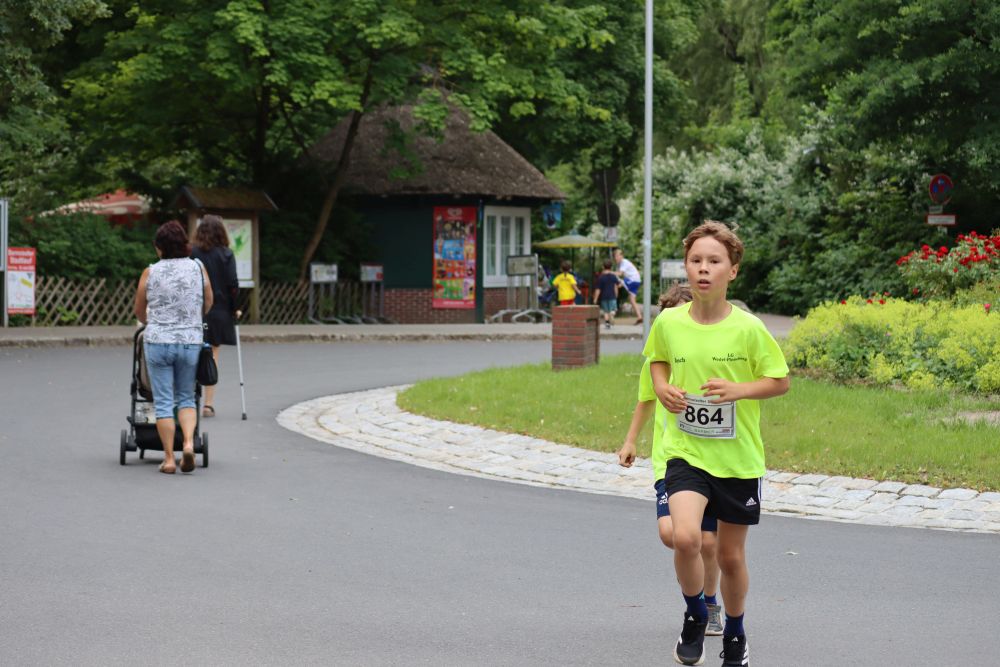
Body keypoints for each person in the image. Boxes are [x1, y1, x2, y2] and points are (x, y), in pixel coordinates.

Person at [643, 221, 789, 667]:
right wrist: (662, 387)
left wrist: (739, 390)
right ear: (686, 268)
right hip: (686, 452)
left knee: (729, 557)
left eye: (714, 261)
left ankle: (736, 634)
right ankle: (694, 614)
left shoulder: (748, 329)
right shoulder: (669, 322)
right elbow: (657, 360)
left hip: (737, 459)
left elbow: (779, 381)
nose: (703, 268)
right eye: (696, 260)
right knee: (685, 537)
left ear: (733, 270)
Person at [617, 282, 725, 638]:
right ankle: (695, 598)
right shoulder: (658, 363)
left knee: (709, 542)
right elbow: (646, 399)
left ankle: (709, 603)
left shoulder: (710, 355)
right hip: (672, 458)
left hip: (713, 459)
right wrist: (630, 440)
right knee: (673, 535)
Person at [134, 220, 213, 474]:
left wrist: (153, 322)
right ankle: (188, 444)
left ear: (160, 247)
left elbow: (139, 310)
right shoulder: (198, 268)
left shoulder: (150, 272)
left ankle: (168, 459)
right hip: (189, 341)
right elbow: (208, 301)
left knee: (164, 402)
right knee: (187, 397)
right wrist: (192, 318)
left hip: (158, 341)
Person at [191, 214, 240, 418]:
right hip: (219, 310)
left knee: (191, 354)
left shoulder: (192, 252)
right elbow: (232, 284)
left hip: (195, 310)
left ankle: (190, 400)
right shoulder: (226, 254)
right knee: (212, 355)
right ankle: (208, 405)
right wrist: (235, 308)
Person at [613, 248, 643, 325]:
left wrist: (609, 272)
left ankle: (613, 306)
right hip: (635, 280)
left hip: (633, 280)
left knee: (616, 284)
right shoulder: (620, 264)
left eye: (617, 256)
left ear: (621, 256)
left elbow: (620, 274)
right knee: (632, 300)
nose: (616, 258)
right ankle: (639, 317)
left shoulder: (624, 262)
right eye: (615, 256)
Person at [593, 259, 620, 328]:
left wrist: (595, 298)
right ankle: (612, 314)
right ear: (611, 267)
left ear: (603, 267)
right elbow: (616, 286)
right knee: (613, 309)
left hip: (604, 297)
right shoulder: (613, 276)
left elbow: (598, 289)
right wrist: (616, 294)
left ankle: (607, 323)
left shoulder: (600, 277)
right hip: (612, 296)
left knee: (605, 311)